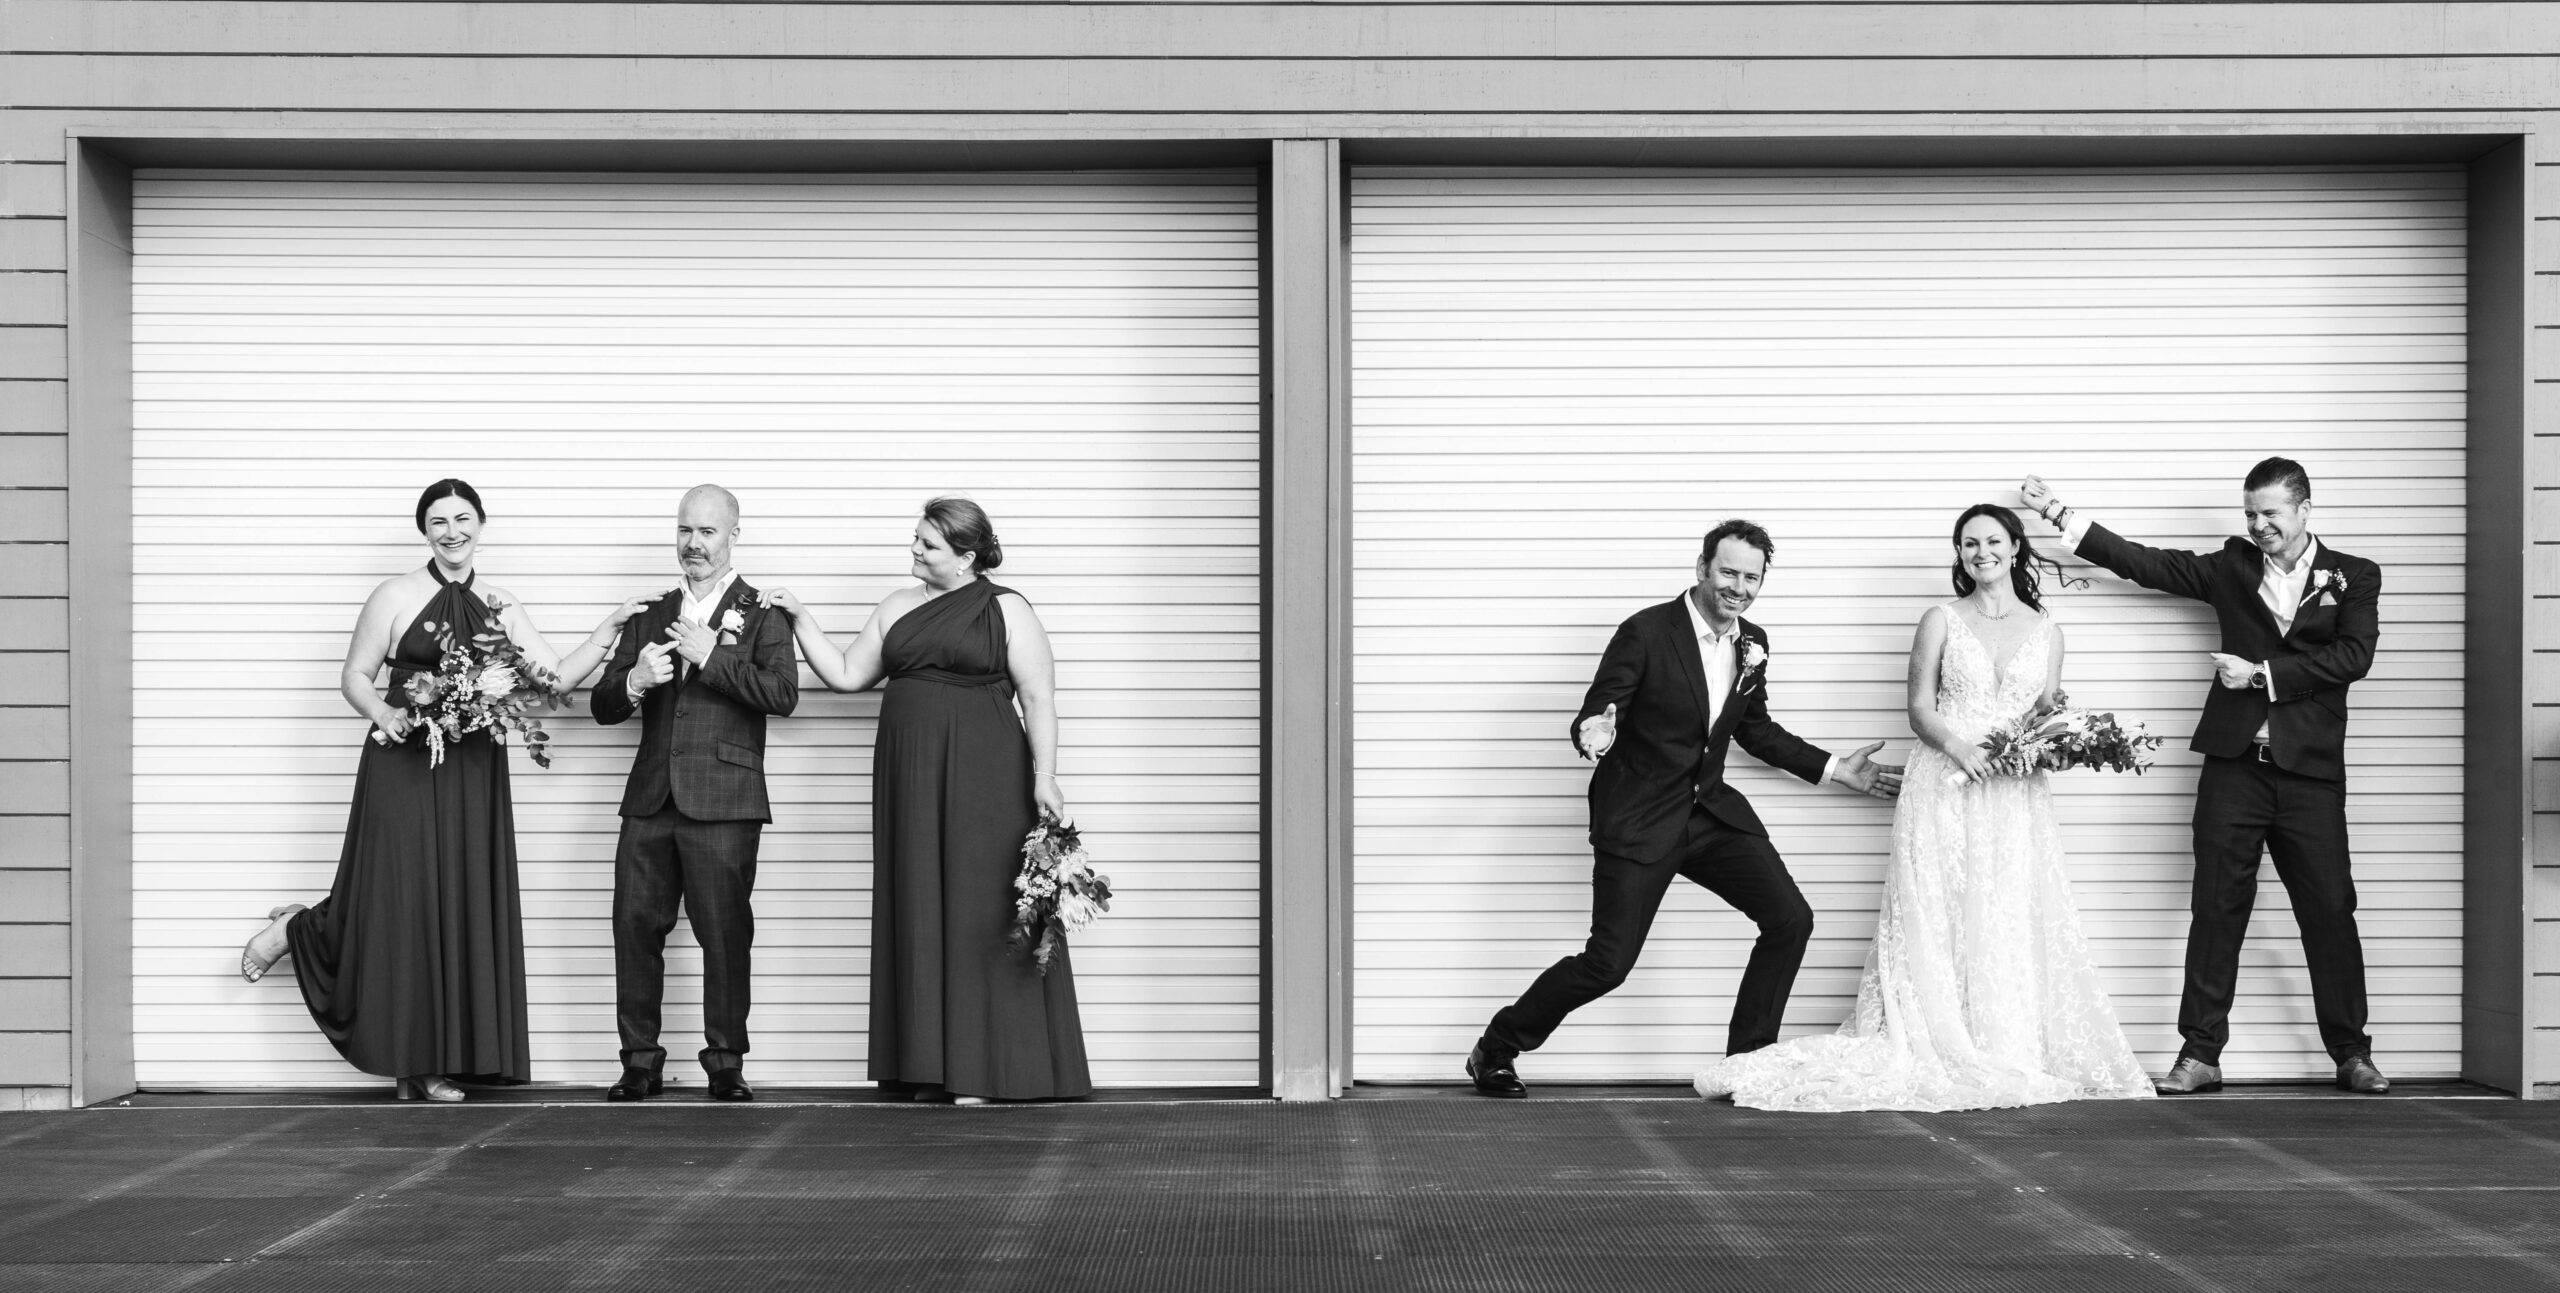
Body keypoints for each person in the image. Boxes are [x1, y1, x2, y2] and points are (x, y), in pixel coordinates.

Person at [1693, 505, 2154, 1111]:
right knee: (1940, 909)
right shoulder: (1940, 619)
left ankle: (2002, 1039)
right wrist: (1963, 750)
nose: (1982, 552)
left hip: (2013, 796)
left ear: (2015, 547)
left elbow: (2046, 712)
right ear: (1959, 554)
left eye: (1993, 541)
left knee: (2007, 908)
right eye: (1969, 543)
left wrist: (2060, 748)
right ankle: (1937, 1032)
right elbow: (1919, 709)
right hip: (1944, 781)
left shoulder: (2048, 631)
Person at [237, 479, 649, 1102]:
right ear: (424, 531)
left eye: (462, 519)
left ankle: (432, 1058)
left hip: (473, 768)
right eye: (438, 522)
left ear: (481, 524)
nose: (451, 532)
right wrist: (383, 713)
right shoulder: (395, 594)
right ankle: (301, 936)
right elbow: (355, 675)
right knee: (397, 896)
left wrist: (608, 629)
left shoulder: (501, 604)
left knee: (456, 898)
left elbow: (554, 680)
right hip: (403, 759)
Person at [1464, 520, 1903, 1099]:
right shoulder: (1646, 632)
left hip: (1709, 814)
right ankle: (1496, 1047)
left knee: (1790, 919)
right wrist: (1594, 733)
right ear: (1702, 569)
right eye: (1728, 572)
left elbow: (1755, 730)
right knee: (1607, 963)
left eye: (1751, 578)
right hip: (1640, 818)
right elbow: (1599, 710)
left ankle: (1747, 1062)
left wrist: (1836, 768)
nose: (1738, 588)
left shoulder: (1752, 642)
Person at [2023, 460, 2387, 1095]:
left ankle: (2352, 1053)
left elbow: (2353, 657)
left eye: (2270, 513)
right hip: (2234, 767)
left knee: (2330, 912)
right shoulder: (2232, 567)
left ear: (2304, 510)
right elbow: (2146, 564)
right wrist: (2060, 514)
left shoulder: (2354, 575)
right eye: (2251, 514)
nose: (2258, 524)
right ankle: (2200, 1055)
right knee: (2216, 909)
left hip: (2311, 775)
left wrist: (2261, 675)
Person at [764, 497, 1090, 1103]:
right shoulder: (896, 605)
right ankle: (933, 1068)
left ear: (966, 557)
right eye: (915, 537)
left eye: (928, 544)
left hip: (985, 771)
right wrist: (801, 619)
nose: (914, 549)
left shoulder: (1006, 608)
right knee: (918, 900)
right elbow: (847, 675)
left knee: (981, 908)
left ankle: (989, 1071)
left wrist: (1045, 775)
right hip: (907, 775)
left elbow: (1038, 698)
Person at [592, 484, 800, 1103]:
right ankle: (639, 1062)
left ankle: (726, 1063)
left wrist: (712, 657)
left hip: (726, 799)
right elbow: (604, 705)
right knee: (634, 929)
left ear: (733, 534)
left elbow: (782, 695)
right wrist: (633, 681)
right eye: (685, 530)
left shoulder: (763, 613)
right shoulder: (649, 613)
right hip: (650, 799)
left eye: (707, 531)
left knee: (725, 935)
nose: (693, 543)